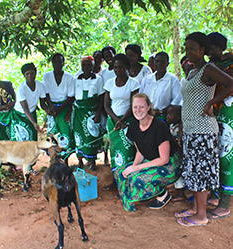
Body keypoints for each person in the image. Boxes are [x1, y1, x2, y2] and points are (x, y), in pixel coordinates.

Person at [175, 32, 233, 227]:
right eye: (186, 48)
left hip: (203, 130)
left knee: (200, 174)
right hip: (191, 129)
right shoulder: (192, 72)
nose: (188, 52)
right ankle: (195, 209)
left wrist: (212, 103)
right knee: (193, 171)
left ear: (202, 50)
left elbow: (231, 84)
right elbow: (188, 102)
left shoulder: (208, 69)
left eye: (192, 48)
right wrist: (183, 127)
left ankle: (201, 215)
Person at [114, 93, 181, 211]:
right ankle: (132, 201)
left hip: (170, 164)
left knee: (138, 178)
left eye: (142, 107)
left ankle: (162, 194)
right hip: (151, 160)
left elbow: (164, 159)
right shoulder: (134, 125)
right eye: (135, 107)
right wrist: (134, 167)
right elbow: (140, 151)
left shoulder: (159, 126)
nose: (138, 110)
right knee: (120, 172)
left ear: (149, 107)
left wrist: (136, 169)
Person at [206, 32, 233, 219]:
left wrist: (214, 101)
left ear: (220, 48)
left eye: (210, 48)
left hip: (229, 115)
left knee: (227, 156)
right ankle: (216, 195)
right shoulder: (212, 67)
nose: (207, 52)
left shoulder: (230, 65)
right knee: (215, 154)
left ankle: (225, 203)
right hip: (215, 114)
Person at [104, 53, 139, 189]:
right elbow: (106, 105)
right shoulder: (109, 83)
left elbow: (133, 105)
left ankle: (128, 181)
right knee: (114, 151)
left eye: (121, 67)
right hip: (113, 122)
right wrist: (116, 120)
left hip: (128, 121)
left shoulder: (133, 83)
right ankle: (115, 181)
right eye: (116, 67)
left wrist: (123, 120)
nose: (118, 70)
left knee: (128, 150)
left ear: (127, 68)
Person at [72, 56, 105, 170]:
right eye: (84, 65)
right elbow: (72, 97)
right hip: (78, 113)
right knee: (79, 137)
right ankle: (80, 160)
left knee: (91, 135)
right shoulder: (76, 79)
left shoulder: (98, 79)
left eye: (88, 65)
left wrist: (98, 114)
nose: (86, 67)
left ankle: (92, 161)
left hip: (92, 111)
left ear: (92, 66)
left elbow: (101, 97)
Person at [43, 53, 75, 160]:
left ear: (63, 63)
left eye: (60, 62)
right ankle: (54, 158)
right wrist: (51, 108)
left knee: (65, 134)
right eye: (55, 62)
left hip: (64, 108)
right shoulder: (47, 76)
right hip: (52, 108)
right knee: (53, 133)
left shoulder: (69, 77)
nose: (58, 64)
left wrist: (60, 109)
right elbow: (46, 94)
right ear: (52, 63)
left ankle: (65, 159)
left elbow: (71, 97)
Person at [11, 63, 50, 142]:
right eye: (27, 74)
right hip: (20, 115)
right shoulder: (21, 89)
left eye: (32, 73)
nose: (30, 76)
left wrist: (47, 110)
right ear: (24, 75)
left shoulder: (40, 85)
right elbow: (25, 109)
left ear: (35, 73)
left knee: (32, 138)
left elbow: (42, 103)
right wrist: (34, 123)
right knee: (23, 138)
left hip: (32, 113)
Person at [140, 52, 182, 119]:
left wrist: (160, 112)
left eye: (162, 62)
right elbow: (140, 97)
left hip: (163, 117)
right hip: (145, 116)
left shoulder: (173, 80)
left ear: (167, 64)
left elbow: (176, 101)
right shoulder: (147, 79)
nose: (159, 64)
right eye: (157, 61)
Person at [166, 105, 185, 202]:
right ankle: (178, 190)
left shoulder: (178, 129)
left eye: (170, 115)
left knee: (179, 174)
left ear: (178, 117)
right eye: (167, 114)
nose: (167, 117)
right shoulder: (171, 126)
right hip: (174, 155)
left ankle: (181, 194)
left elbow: (178, 143)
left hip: (179, 155)